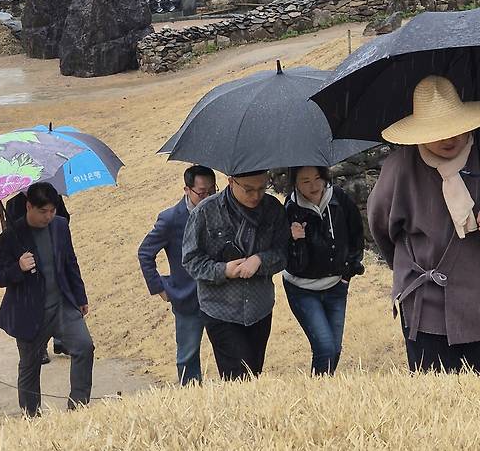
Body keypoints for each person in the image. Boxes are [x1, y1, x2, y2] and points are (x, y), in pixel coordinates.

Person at [367, 75, 480, 376]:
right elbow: (382, 227)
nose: (450, 138)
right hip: (423, 301)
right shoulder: (400, 168)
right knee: (435, 397)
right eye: (439, 131)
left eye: (455, 128)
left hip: (478, 296)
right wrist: (408, 265)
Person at [0, 181, 94, 416]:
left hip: (63, 304)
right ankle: (32, 415)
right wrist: (18, 267)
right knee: (29, 365)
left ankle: (78, 406)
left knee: (84, 347)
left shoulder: (60, 226)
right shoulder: (10, 236)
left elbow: (70, 262)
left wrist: (80, 296)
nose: (48, 216)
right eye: (43, 211)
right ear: (29, 206)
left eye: (53, 210)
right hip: (29, 311)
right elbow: (0, 277)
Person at [182, 170, 289, 380]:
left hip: (259, 308)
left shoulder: (273, 209)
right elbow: (191, 261)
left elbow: (284, 252)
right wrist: (224, 270)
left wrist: (260, 259)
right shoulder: (206, 211)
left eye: (261, 188)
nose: (255, 196)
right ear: (231, 182)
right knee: (238, 378)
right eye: (248, 189)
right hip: (220, 309)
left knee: (254, 372)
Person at [138, 164, 217, 385]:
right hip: (187, 298)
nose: (208, 197)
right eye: (202, 192)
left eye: (212, 191)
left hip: (220, 295)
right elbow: (145, 253)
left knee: (227, 351)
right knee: (188, 355)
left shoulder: (220, 210)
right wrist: (159, 287)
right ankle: (190, 399)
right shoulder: (171, 218)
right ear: (187, 190)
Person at [283, 165, 365, 375]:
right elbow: (292, 264)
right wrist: (295, 241)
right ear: (295, 183)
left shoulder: (339, 198)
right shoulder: (290, 209)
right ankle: (318, 396)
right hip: (301, 288)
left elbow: (356, 235)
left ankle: (321, 392)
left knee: (335, 349)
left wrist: (348, 273)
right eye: (305, 181)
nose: (314, 186)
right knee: (325, 347)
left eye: (318, 178)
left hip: (336, 286)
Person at [6, 190, 71, 362]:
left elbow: (64, 219)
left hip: (52, 255)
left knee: (59, 298)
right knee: (38, 308)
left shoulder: (53, 196)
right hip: (30, 263)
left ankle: (61, 340)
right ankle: (40, 348)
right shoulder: (13, 204)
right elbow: (10, 235)